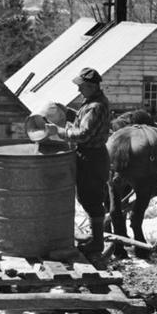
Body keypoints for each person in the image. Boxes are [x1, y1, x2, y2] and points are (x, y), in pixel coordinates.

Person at [46, 67, 110, 254]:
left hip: (92, 157)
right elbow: (84, 121)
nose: (78, 90)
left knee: (91, 199)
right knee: (87, 197)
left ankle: (97, 243)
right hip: (90, 155)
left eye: (81, 87)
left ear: (91, 86)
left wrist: (57, 131)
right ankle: (95, 237)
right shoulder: (91, 102)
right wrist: (68, 112)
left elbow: (84, 133)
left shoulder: (95, 106)